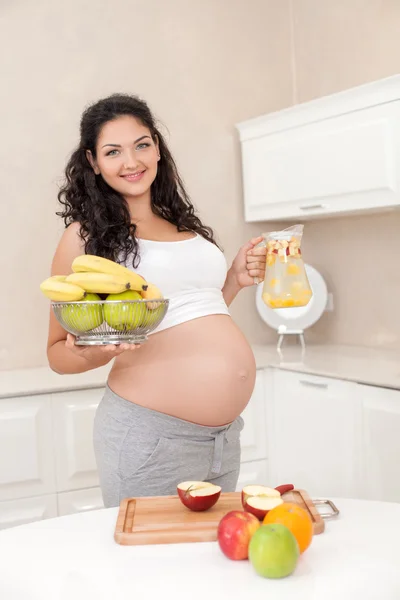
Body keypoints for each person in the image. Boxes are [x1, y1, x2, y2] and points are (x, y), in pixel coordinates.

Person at [47, 93, 267, 508]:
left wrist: (234, 281)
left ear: (158, 148)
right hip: (150, 436)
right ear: (93, 162)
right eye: (114, 151)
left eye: (142, 144)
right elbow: (57, 353)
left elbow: (188, 315)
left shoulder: (183, 225)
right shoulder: (84, 238)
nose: (132, 161)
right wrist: (99, 353)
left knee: (210, 567)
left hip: (223, 438)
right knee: (148, 569)